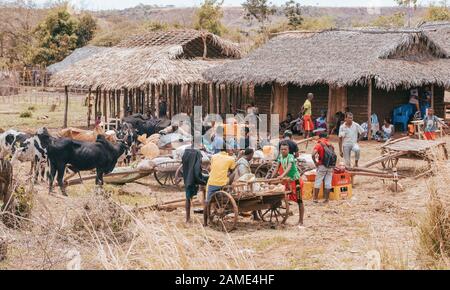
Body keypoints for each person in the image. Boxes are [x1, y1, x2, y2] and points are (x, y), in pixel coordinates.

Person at [271, 143, 304, 226]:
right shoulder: (280, 157)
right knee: (282, 195)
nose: (283, 151)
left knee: (299, 200)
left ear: (288, 150)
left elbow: (289, 167)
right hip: (287, 181)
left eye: (285, 149)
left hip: (296, 181)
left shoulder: (291, 157)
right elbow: (276, 167)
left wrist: (281, 176)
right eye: (281, 149)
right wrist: (271, 177)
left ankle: (301, 221)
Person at [204, 146, 236, 227]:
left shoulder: (213, 156)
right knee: (234, 173)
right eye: (230, 149)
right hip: (223, 183)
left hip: (212, 183)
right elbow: (232, 170)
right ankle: (228, 187)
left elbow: (211, 168)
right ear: (227, 150)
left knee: (207, 202)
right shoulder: (231, 159)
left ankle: (205, 222)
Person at [182, 148, 208, 223]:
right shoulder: (197, 154)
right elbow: (197, 172)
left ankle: (187, 218)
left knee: (188, 198)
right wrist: (202, 181)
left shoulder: (186, 153)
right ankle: (206, 219)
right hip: (194, 179)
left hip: (187, 178)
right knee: (205, 194)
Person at [312, 132, 336, 203]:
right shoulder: (331, 145)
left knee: (318, 181)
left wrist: (315, 162)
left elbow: (313, 154)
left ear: (319, 137)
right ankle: (326, 199)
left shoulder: (319, 144)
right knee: (328, 182)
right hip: (330, 166)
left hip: (322, 165)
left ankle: (315, 199)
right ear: (326, 137)